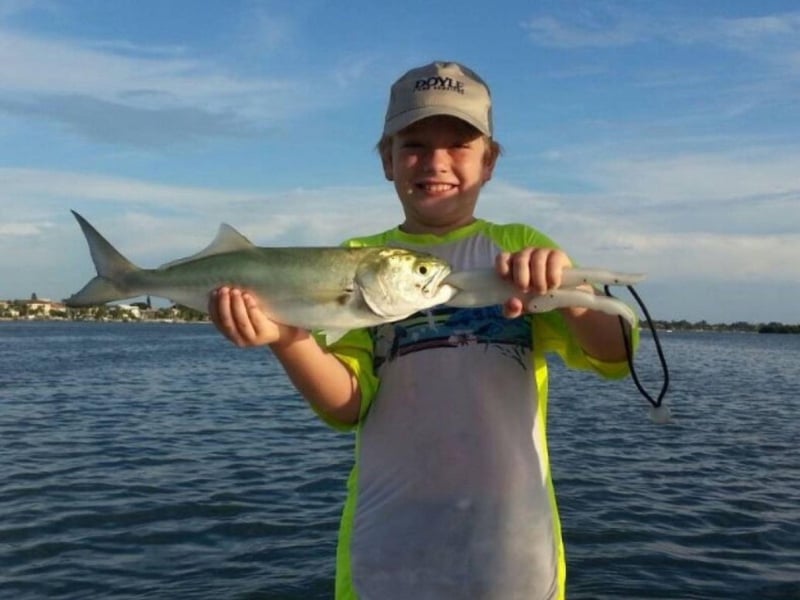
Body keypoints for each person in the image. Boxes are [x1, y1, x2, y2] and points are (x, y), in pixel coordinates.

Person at [210, 61, 635, 600]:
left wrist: (569, 298)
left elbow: (617, 356)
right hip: (388, 542)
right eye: (414, 145)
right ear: (387, 160)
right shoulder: (354, 259)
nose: (436, 161)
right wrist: (287, 338)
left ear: (489, 163)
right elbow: (348, 406)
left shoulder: (518, 246)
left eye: (459, 145)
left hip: (512, 546)